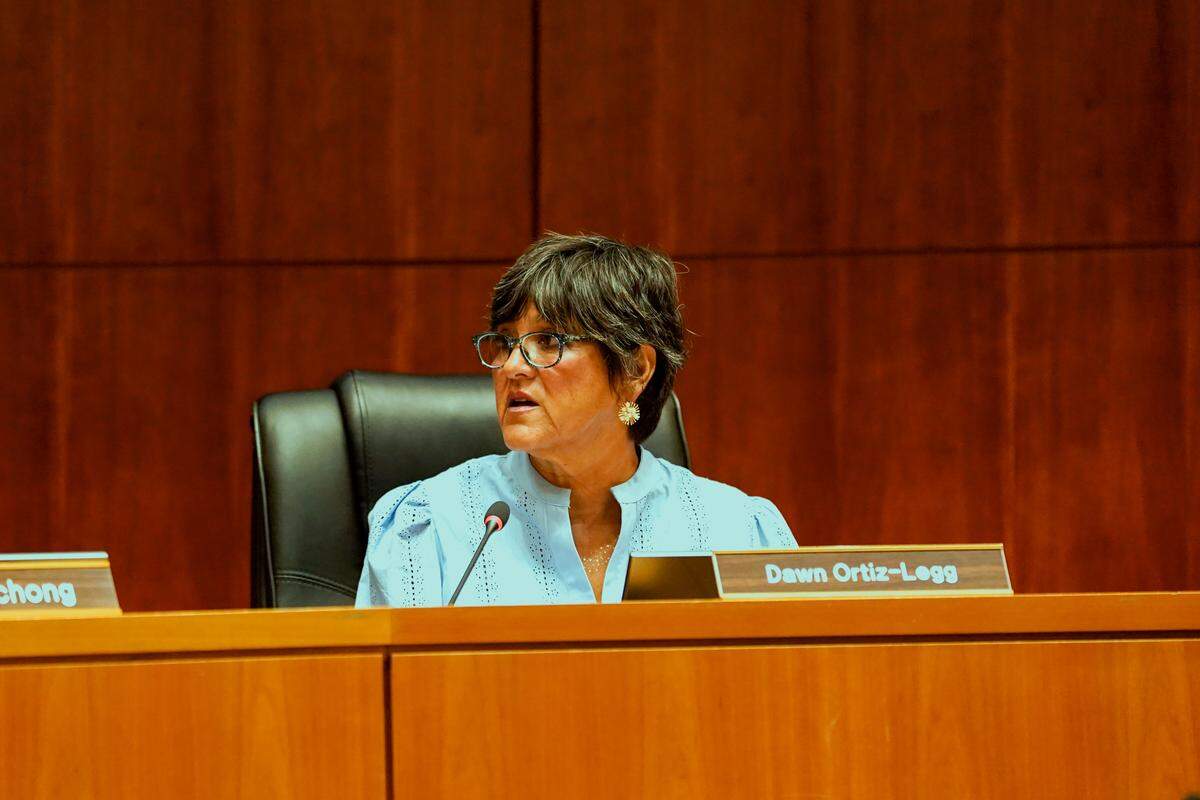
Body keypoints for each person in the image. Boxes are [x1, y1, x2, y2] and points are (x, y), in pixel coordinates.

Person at [355, 233, 796, 607]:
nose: (512, 367)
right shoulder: (429, 525)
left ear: (634, 369)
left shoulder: (737, 532)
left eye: (548, 340)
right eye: (506, 343)